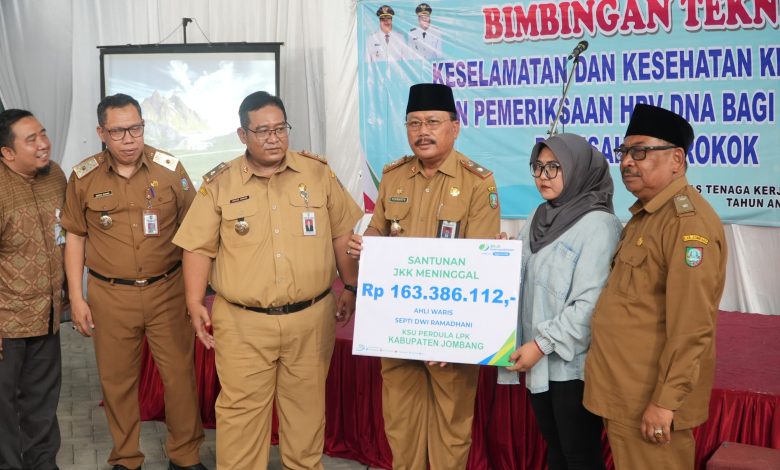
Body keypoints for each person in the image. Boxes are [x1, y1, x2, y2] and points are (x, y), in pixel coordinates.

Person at [172, 91, 362, 470]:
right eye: (262, 131)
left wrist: (352, 286)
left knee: (307, 412)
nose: (273, 138)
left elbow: (342, 233)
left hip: (311, 319)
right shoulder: (220, 183)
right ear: (243, 135)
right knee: (241, 416)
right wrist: (193, 301)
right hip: (243, 323)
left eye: (280, 129)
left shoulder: (317, 173)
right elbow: (197, 247)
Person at [347, 83, 500, 469]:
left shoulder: (477, 182)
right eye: (414, 123)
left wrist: (447, 335)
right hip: (398, 326)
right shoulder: (394, 176)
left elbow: (480, 267)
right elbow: (380, 228)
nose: (422, 131)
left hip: (449, 331)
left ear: (454, 127)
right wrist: (367, 243)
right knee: (401, 425)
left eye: (432, 122)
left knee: (450, 428)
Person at [61, 93, 207, 470]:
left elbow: (196, 231)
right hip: (110, 294)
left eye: (136, 129)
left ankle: (185, 456)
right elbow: (75, 236)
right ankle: (127, 458)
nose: (129, 139)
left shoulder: (169, 170)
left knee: (179, 378)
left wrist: (198, 293)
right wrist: (76, 296)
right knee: (117, 381)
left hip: (168, 290)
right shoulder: (84, 177)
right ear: (102, 133)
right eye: (118, 131)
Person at [583, 104, 727, 469]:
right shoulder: (646, 216)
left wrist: (665, 402)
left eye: (640, 151)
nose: (627, 162)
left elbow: (692, 326)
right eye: (624, 152)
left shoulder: (687, 225)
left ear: (677, 159)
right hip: (624, 391)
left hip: (650, 400)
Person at [497, 133, 620, 470]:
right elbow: (526, 275)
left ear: (578, 169)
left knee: (579, 455)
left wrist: (542, 344)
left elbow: (590, 305)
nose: (543, 176)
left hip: (573, 367)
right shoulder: (539, 215)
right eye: (538, 167)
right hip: (537, 360)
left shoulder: (599, 225)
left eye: (554, 167)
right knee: (556, 450)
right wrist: (501, 254)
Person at [0, 109, 66, 470]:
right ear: (7, 153)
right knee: (4, 410)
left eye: (43, 134)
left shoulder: (55, 176)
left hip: (47, 316)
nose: (43, 144)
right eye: (31, 139)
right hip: (6, 323)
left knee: (42, 403)